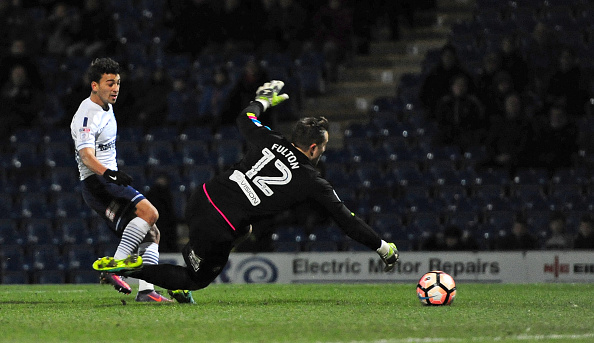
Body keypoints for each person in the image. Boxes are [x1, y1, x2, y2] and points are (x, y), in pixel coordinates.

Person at [93, 80, 399, 297]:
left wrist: (263, 98)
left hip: (203, 197)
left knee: (243, 229)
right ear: (316, 148)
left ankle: (161, 273)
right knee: (195, 278)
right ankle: (133, 270)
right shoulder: (312, 180)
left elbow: (246, 117)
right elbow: (347, 220)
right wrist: (383, 247)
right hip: (221, 224)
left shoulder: (271, 138)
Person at [70, 57, 173, 302]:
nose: (115, 88)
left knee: (152, 233)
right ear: (94, 85)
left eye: (117, 82)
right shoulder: (87, 114)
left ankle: (147, 291)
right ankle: (115, 266)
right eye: (109, 83)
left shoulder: (107, 106)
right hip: (97, 183)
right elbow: (86, 156)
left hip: (107, 181)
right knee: (150, 213)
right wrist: (109, 173)